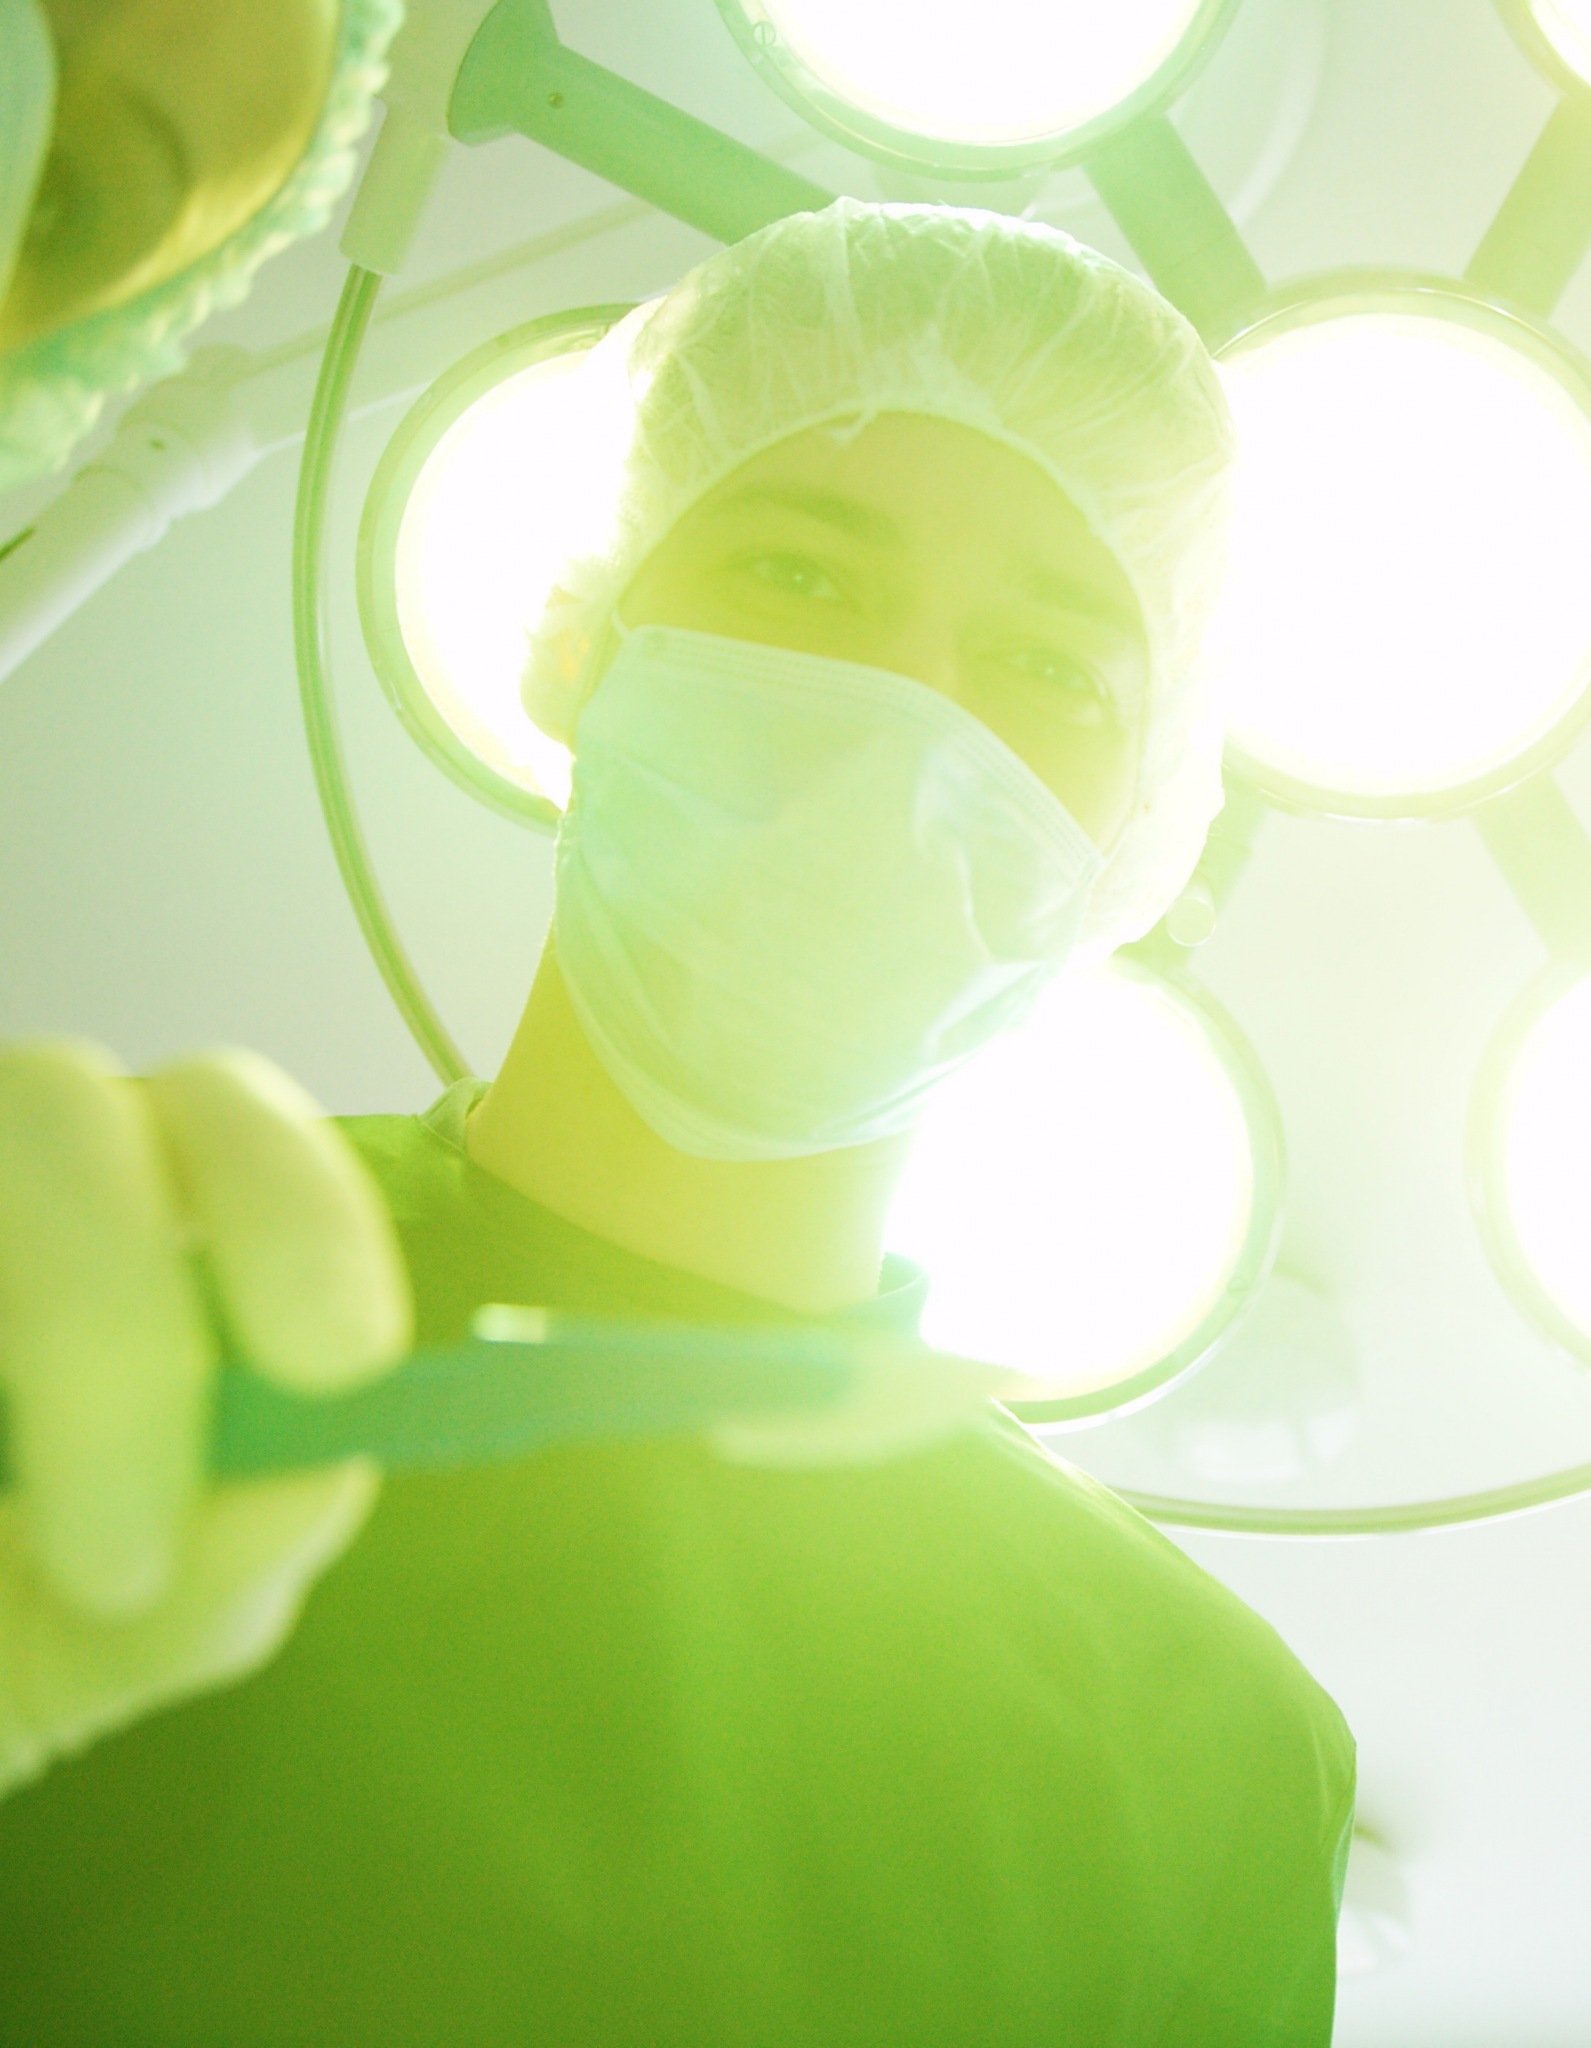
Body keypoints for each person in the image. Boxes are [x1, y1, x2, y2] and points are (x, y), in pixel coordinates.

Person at [0, 116, 1356, 2048]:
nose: (908, 714)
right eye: (801, 570)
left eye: (1050, 667)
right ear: (576, 645)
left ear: (1126, 844)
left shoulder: (1196, 1749)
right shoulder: (92, 1297)